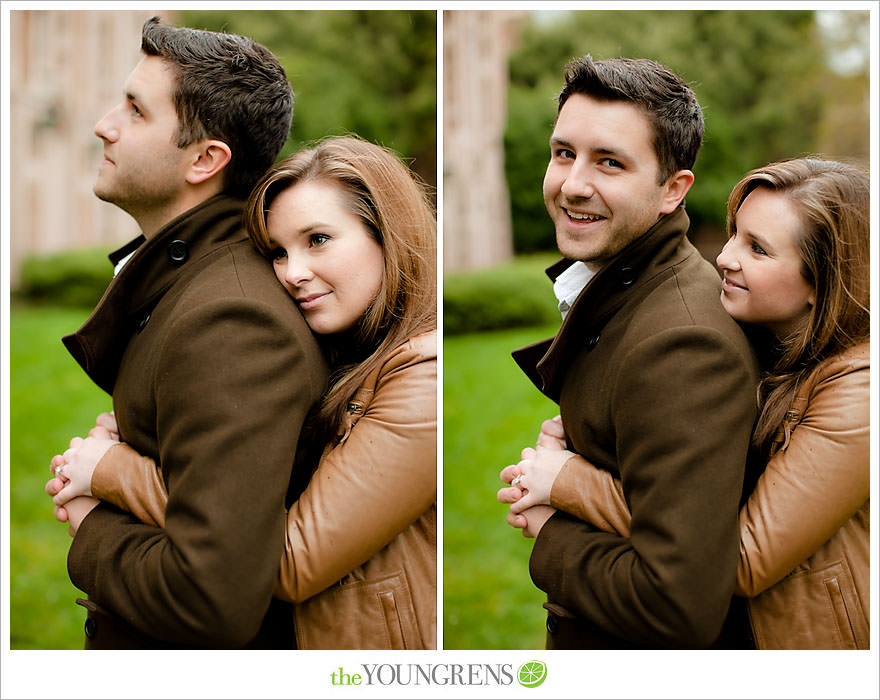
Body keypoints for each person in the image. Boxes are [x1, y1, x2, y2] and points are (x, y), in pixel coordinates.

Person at [49, 136, 438, 649]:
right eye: (278, 251)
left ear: (388, 235)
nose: (293, 273)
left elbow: (288, 560)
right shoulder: (347, 349)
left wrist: (118, 472)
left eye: (318, 239)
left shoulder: (424, 377)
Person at [501, 157, 870, 650]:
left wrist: (571, 485)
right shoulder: (763, 345)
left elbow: (733, 558)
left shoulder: (860, 395)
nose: (725, 258)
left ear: (822, 282)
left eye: (758, 249)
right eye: (735, 234)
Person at [42, 17, 328, 649]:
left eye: (136, 111)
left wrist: (92, 522)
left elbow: (210, 601)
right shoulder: (195, 287)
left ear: (205, 159)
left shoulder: (232, 321)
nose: (104, 124)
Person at [500, 55, 760, 649]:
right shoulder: (624, 288)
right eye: (564, 153)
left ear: (673, 190)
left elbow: (677, 605)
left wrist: (548, 528)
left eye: (609, 162)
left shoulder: (685, 343)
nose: (572, 184)